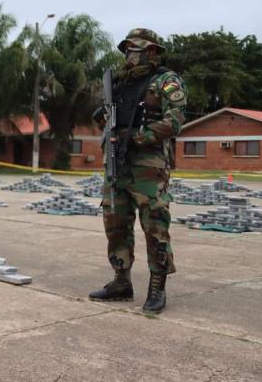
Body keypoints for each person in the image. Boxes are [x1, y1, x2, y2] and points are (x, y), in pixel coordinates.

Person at [89, 28, 187, 313]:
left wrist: (138, 137)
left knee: (155, 225)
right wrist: (102, 119)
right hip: (117, 162)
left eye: (137, 49)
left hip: (148, 167)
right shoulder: (118, 83)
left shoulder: (166, 81)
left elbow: (175, 122)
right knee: (115, 222)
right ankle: (121, 281)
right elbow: (111, 120)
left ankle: (157, 288)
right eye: (127, 49)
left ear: (153, 51)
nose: (130, 55)